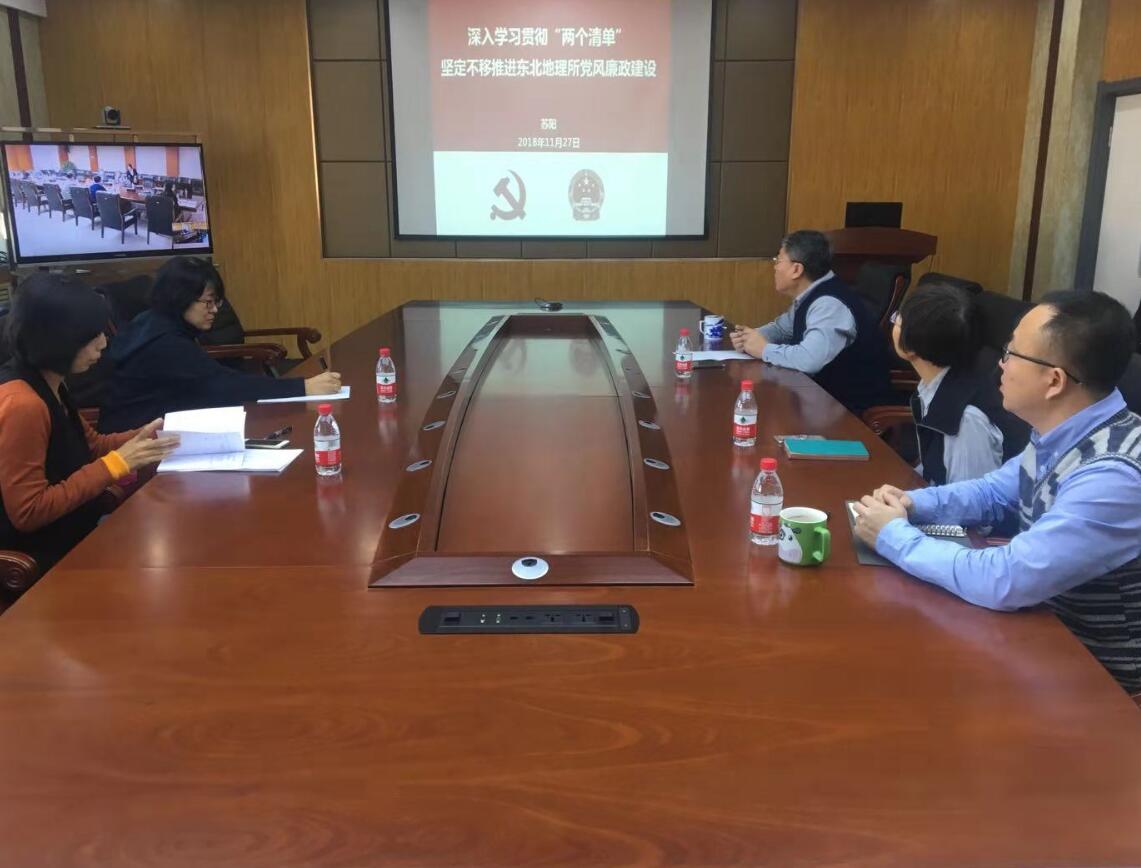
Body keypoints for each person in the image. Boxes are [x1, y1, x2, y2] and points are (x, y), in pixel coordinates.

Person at [853, 290, 1141, 696]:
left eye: (1011, 353)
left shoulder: (1114, 476)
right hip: (1036, 630)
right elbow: (995, 492)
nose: (999, 365)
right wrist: (913, 503)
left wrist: (894, 536)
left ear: (1054, 381)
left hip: (1098, 682)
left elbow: (1007, 579)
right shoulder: (1066, 431)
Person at [0, 274, 180, 575]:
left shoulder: (51, 382)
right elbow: (29, 511)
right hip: (46, 559)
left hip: (78, 530)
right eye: (91, 335)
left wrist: (151, 436)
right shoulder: (22, 404)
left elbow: (92, 446)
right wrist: (117, 464)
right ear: (56, 339)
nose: (103, 343)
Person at [99, 257, 341, 432]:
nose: (214, 310)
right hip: (136, 443)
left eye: (217, 302)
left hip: (156, 429)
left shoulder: (153, 322)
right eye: (208, 302)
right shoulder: (165, 343)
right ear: (180, 298)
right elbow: (223, 385)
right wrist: (304, 387)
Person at [730, 230, 893, 414]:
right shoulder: (812, 294)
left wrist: (763, 349)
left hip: (848, 412)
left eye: (779, 260)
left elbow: (809, 360)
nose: (775, 267)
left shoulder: (829, 305)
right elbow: (783, 329)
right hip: (818, 400)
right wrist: (750, 337)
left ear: (796, 269)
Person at [891, 282, 1012, 485]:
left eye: (897, 320)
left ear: (910, 347)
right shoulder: (934, 385)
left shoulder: (966, 421)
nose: (893, 323)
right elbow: (932, 469)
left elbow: (968, 499)